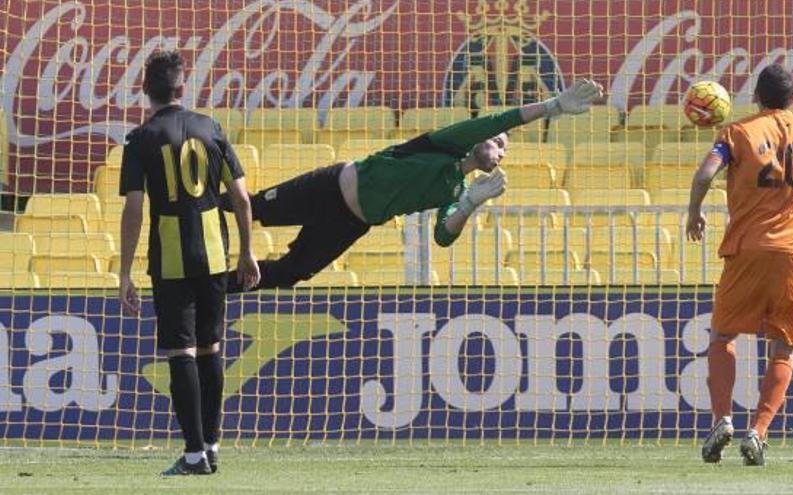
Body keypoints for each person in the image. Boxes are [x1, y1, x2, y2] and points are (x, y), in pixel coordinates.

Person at [222, 79, 604, 292]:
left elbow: (443, 234)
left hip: (351, 222)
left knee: (292, 273)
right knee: (254, 208)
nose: (501, 152)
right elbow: (500, 119)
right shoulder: (448, 143)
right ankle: (197, 205)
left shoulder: (456, 188)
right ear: (481, 140)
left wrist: (470, 203)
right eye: (499, 143)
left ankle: (211, 287)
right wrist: (552, 106)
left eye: (505, 151)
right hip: (332, 186)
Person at [687, 64, 793, 466]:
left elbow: (704, 175)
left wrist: (693, 214)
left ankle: (722, 419)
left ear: (755, 96)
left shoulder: (736, 133)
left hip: (746, 250)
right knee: (785, 347)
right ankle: (759, 431)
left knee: (722, 335)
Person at [118, 50, 261, 475]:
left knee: (181, 352)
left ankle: (196, 453)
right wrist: (247, 250)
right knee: (212, 349)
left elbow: (134, 209)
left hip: (172, 259)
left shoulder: (141, 139)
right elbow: (241, 198)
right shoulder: (210, 127)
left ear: (145, 90)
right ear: (183, 88)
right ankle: (212, 445)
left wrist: (124, 271)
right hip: (215, 254)